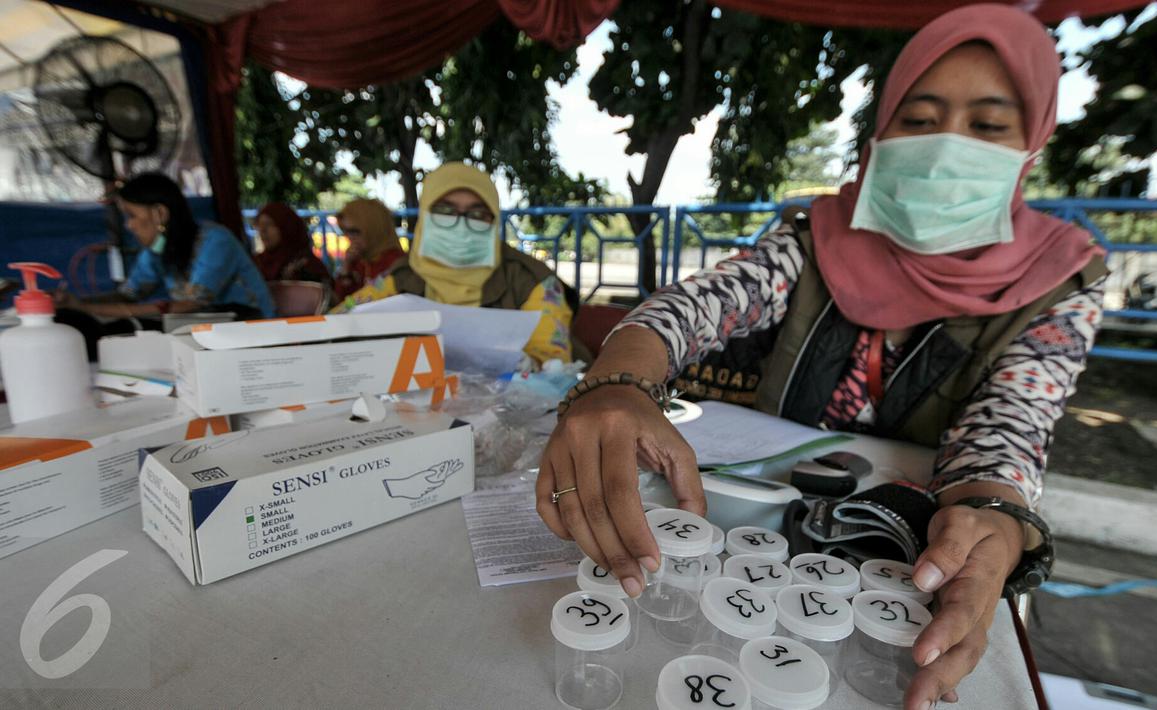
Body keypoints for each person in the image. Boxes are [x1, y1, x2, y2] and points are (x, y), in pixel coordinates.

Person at [537, 5, 1107, 709]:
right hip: (762, 544)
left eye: (987, 126)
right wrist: (615, 385)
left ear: (1032, 145)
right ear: (880, 133)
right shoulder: (813, 241)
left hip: (902, 573)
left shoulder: (1058, 282)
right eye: (918, 119)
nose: (944, 150)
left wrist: (990, 515)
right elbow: (692, 308)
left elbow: (1007, 430)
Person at [335, 162, 578, 365]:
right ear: (425, 216)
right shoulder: (401, 277)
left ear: (494, 219)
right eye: (445, 211)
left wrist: (522, 370)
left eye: (477, 214)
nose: (461, 226)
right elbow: (336, 325)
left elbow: (554, 365)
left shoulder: (531, 281)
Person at [55, 173, 275, 344]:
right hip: (204, 333)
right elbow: (128, 295)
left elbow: (190, 305)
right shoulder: (157, 251)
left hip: (251, 331)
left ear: (160, 213)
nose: (128, 225)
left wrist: (86, 309)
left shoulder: (216, 241)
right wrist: (75, 303)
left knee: (124, 329)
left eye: (131, 215)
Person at [331, 198, 406, 303]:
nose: (349, 237)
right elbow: (341, 301)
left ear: (373, 229)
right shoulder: (357, 260)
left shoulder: (396, 262)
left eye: (354, 231)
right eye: (345, 231)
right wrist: (346, 266)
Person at [253, 202, 333, 289]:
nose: (263, 230)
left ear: (286, 228)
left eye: (270, 224)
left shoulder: (307, 265)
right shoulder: (257, 263)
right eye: (260, 225)